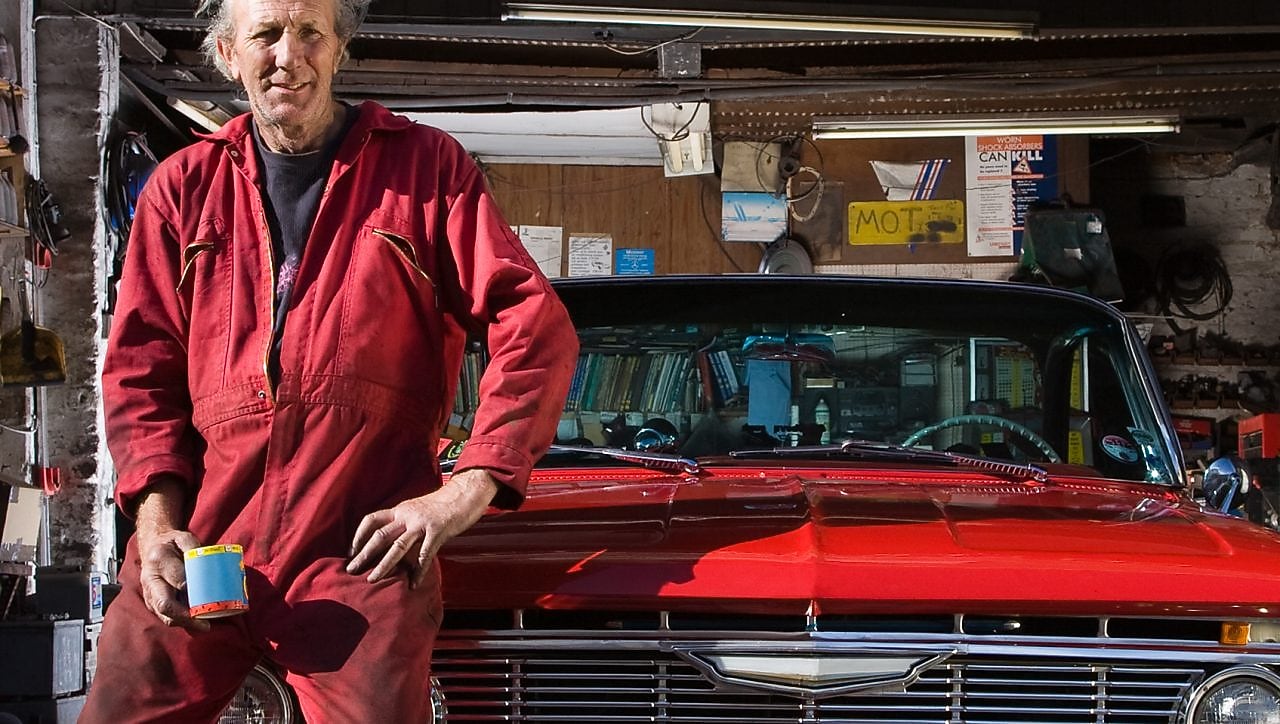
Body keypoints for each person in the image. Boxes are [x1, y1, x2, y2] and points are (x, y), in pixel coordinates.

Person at [82, 0, 578, 720]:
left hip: (360, 549)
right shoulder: (182, 188)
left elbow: (533, 325)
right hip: (204, 540)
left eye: (311, 32)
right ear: (227, 55)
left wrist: (464, 492)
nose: (290, 54)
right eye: (266, 35)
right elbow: (141, 368)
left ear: (340, 50)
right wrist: (155, 526)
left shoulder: (424, 169)